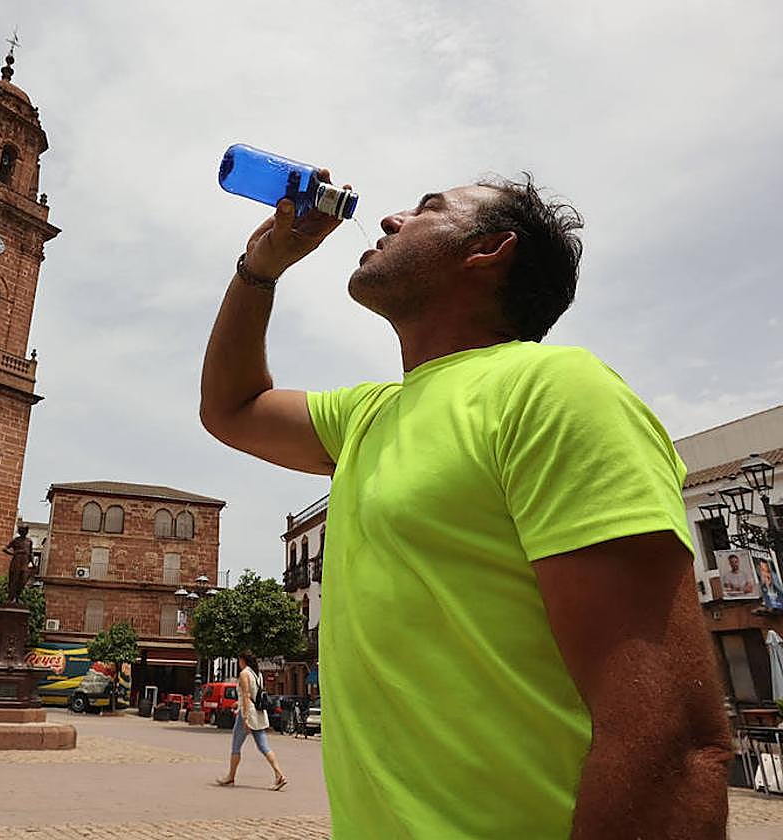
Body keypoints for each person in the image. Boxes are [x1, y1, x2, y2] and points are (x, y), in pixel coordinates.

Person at [200, 174, 731, 837]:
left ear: (487, 251)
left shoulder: (556, 391)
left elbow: (674, 743)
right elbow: (231, 408)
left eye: (427, 209)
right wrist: (260, 268)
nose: (389, 219)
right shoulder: (369, 415)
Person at [215, 650, 287, 791]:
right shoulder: (257, 674)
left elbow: (247, 695)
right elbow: (252, 695)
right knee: (263, 746)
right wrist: (238, 702)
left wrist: (246, 717)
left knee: (236, 746)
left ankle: (230, 776)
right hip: (259, 713)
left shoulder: (244, 674)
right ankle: (279, 775)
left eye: (239, 660)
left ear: (243, 660)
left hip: (247, 714)